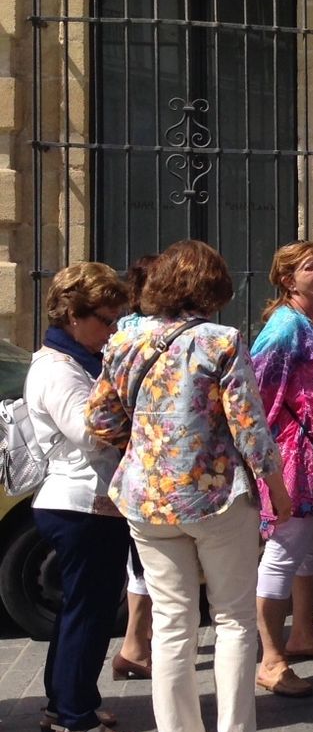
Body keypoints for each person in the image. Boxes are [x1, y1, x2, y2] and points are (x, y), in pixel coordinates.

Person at [86, 240, 290, 732]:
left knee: (173, 625)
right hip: (214, 496)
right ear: (213, 287)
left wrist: (145, 445)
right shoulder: (220, 341)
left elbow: (100, 419)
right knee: (232, 619)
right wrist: (276, 487)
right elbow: (250, 425)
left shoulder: (126, 338)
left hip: (146, 500)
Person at [28, 262, 135, 732]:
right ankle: (73, 719)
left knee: (83, 610)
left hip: (90, 504)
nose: (112, 330)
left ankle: (70, 702)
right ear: (73, 314)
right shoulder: (57, 368)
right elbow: (91, 431)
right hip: (79, 504)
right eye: (105, 320)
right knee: (87, 614)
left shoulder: (81, 362)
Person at [251, 241, 313, 701]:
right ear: (289, 280)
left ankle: (302, 633)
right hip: (294, 456)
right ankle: (269, 659)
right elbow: (258, 393)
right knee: (285, 549)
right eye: (310, 267)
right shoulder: (284, 327)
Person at [110, 255, 158, 683]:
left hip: (131, 463)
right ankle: (134, 645)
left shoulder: (121, 333)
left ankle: (137, 642)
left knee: (138, 560)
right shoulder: (144, 335)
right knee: (144, 562)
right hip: (150, 465)